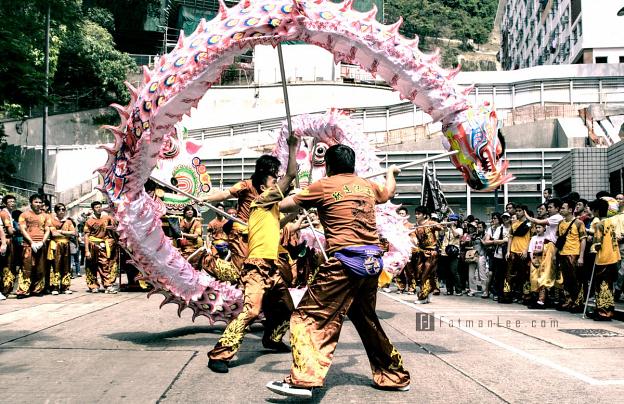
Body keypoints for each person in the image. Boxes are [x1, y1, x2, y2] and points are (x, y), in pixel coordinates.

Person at [266, 144, 409, 398]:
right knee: (366, 320)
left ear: (328, 166)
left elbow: (284, 206)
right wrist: (392, 173)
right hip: (372, 263)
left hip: (343, 264)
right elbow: (387, 194)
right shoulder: (367, 185)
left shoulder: (325, 185)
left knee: (307, 317)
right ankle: (394, 375)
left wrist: (295, 192)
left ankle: (303, 380)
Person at [207, 133, 299, 374]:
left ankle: (272, 339)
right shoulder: (261, 200)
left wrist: (306, 204)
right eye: (274, 179)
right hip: (256, 267)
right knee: (252, 311)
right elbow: (289, 176)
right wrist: (293, 148)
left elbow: (288, 215)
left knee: (288, 310)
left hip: (272, 268)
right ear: (263, 185)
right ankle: (220, 354)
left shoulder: (271, 209)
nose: (277, 182)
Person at [525, 198, 564, 306]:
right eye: (548, 207)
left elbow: (538, 221)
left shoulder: (557, 217)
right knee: (541, 273)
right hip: (546, 246)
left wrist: (528, 217)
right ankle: (541, 299)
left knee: (545, 273)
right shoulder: (553, 218)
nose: (549, 209)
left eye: (551, 207)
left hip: (550, 246)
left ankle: (542, 300)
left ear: (557, 208)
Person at [587, 198, 620, 320]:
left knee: (601, 285)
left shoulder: (599, 224)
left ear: (596, 211)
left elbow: (597, 243)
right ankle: (606, 310)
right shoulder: (611, 223)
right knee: (608, 285)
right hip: (612, 256)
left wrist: (592, 246)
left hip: (603, 258)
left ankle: (603, 312)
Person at [16, 194, 51, 298]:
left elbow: (47, 229)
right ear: (31, 203)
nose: (38, 204)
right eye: (36, 202)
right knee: (26, 267)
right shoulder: (24, 215)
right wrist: (31, 242)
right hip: (28, 244)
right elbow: (22, 229)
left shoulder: (46, 216)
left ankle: (37, 290)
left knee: (41, 268)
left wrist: (42, 242)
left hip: (41, 245)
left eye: (40, 202)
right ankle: (23, 291)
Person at [555, 199, 586, 312]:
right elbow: (559, 239)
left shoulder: (579, 223)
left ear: (570, 210)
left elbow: (583, 240)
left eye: (563, 208)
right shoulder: (560, 223)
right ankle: (568, 301)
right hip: (562, 253)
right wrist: (555, 254)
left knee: (576, 279)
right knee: (566, 279)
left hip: (574, 254)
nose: (561, 210)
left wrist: (581, 256)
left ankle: (578, 302)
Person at [411, 205, 443, 304]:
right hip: (421, 252)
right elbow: (413, 238)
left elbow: (441, 228)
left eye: (418, 214)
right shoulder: (415, 226)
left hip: (432, 252)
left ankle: (423, 297)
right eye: (415, 213)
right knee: (420, 273)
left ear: (424, 215)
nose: (416, 215)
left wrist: (437, 225)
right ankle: (428, 292)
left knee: (426, 273)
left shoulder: (430, 223)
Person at [84, 201, 118, 293]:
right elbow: (86, 236)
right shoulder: (89, 221)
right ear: (93, 209)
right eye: (96, 207)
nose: (99, 209)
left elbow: (114, 228)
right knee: (91, 266)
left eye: (100, 207)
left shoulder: (107, 218)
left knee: (105, 265)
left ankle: (108, 285)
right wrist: (87, 250)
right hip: (93, 245)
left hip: (104, 245)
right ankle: (93, 286)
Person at [502, 205, 532, 304]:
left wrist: (526, 250)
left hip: (523, 252)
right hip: (513, 252)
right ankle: (507, 295)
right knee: (509, 274)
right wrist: (508, 251)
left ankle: (525, 296)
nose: (517, 213)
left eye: (520, 211)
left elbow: (531, 238)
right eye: (517, 211)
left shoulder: (530, 224)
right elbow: (510, 237)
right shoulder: (514, 224)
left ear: (525, 212)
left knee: (524, 275)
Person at [48, 203, 77, 295]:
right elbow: (53, 234)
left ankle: (65, 286)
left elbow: (74, 233)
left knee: (66, 266)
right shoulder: (51, 220)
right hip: (56, 245)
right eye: (59, 209)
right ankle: (55, 287)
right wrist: (67, 233)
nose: (61, 212)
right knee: (55, 265)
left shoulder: (68, 222)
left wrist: (61, 231)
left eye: (63, 210)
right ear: (56, 211)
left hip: (66, 245)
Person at [441, 214, 463, 295]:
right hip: (445, 252)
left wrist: (452, 227)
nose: (453, 222)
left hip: (454, 253)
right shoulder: (447, 229)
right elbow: (441, 233)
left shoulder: (459, 229)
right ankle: (449, 290)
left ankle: (458, 290)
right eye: (451, 220)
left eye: (454, 220)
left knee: (454, 271)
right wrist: (445, 225)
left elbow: (456, 235)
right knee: (447, 272)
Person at [1, 195, 16, 298]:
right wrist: (17, 230)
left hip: (7, 240)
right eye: (10, 201)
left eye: (13, 201)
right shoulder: (5, 214)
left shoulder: (8, 213)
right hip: (6, 240)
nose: (12, 203)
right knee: (7, 265)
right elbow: (10, 230)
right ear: (5, 203)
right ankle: (5, 290)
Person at [528, 223, 547, 308]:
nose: (538, 229)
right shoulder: (533, 238)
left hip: (543, 262)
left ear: (544, 228)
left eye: (540, 227)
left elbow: (547, 251)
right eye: (537, 227)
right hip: (534, 261)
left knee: (542, 281)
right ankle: (534, 299)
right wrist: (532, 260)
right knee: (533, 280)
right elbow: (530, 250)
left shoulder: (547, 238)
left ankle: (541, 300)